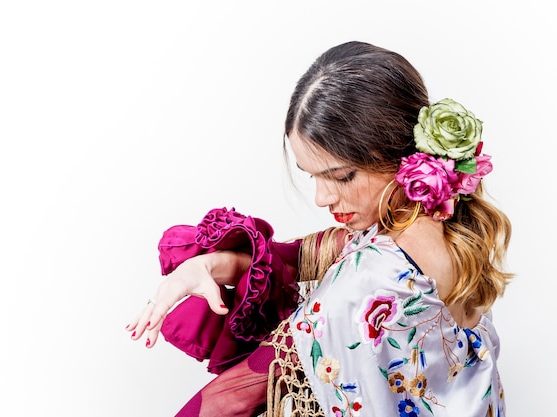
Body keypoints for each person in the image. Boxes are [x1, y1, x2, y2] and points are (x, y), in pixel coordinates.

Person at [126, 40, 513, 417]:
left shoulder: (369, 278)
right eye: (312, 176)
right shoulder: (441, 229)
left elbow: (231, 398)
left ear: (400, 154)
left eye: (341, 177)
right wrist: (205, 266)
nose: (322, 198)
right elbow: (294, 258)